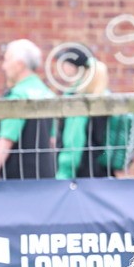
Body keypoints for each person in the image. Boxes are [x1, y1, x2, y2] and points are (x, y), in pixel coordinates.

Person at [0, 39, 56, 181]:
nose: (3, 67)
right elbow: (52, 140)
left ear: (19, 65)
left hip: (18, 182)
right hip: (45, 178)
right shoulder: (47, 94)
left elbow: (7, 138)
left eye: (6, 60)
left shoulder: (17, 97)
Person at [55, 47, 114, 179]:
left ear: (72, 67)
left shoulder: (78, 100)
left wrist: (63, 174)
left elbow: (73, 141)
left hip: (81, 174)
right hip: (101, 172)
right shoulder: (104, 96)